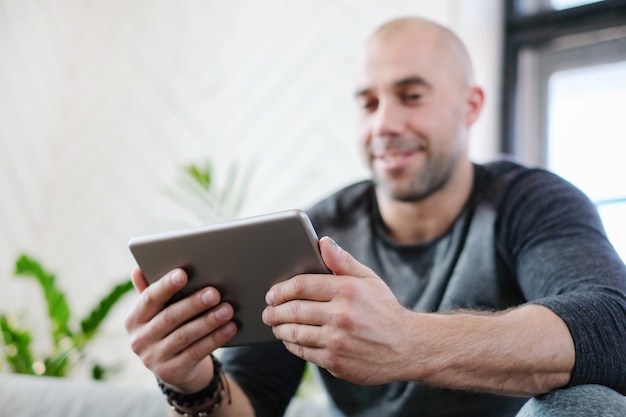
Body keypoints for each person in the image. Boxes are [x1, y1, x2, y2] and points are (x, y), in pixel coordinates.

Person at [124, 16, 626, 417]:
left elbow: (613, 325)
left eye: (411, 96)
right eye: (368, 103)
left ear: (470, 106)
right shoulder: (316, 232)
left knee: (589, 404)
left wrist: (408, 342)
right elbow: (253, 400)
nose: (384, 123)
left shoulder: (530, 201)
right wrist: (191, 383)